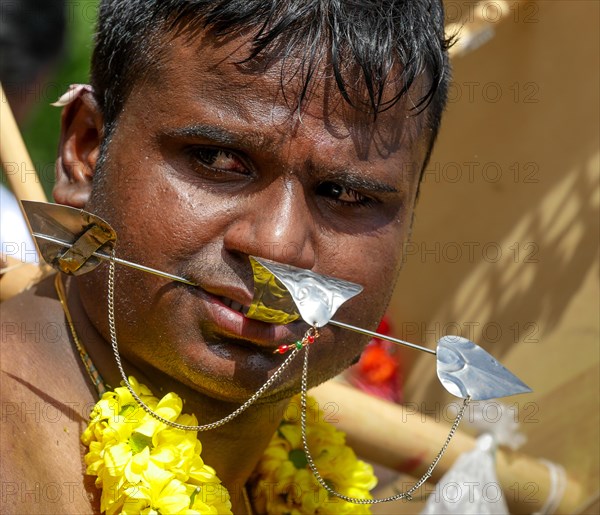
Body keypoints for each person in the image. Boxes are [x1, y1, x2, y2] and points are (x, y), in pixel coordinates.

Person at [0, 0, 451, 513]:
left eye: (346, 194)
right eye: (219, 160)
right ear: (86, 149)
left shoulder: (298, 478)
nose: (277, 246)